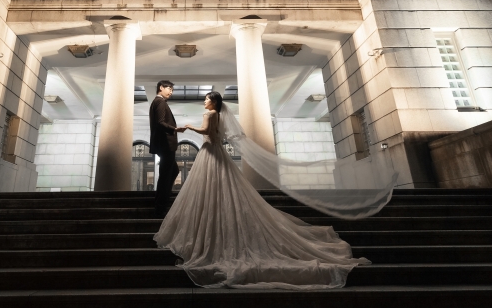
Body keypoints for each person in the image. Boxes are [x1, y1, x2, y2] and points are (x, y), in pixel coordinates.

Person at [153, 91, 371, 289]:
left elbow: (207, 132)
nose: (204, 101)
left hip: (209, 152)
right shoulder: (218, 115)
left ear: (214, 102)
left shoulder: (209, 115)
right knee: (220, 185)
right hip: (216, 153)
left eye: (207, 99)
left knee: (210, 186)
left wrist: (190, 127)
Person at [149, 80, 185, 217]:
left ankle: (162, 201)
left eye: (172, 90)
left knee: (173, 171)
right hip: (165, 144)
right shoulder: (160, 102)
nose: (171, 92)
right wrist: (175, 129)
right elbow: (160, 122)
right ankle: (160, 207)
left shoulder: (158, 102)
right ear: (161, 87)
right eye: (169, 88)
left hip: (163, 144)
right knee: (165, 175)